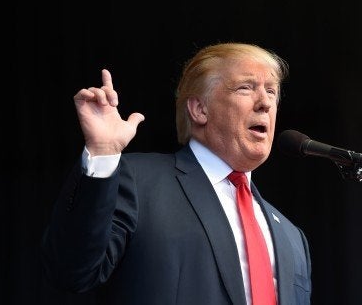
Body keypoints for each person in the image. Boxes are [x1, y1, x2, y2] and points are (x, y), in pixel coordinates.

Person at [41, 43, 312, 305]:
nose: (265, 102)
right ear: (199, 109)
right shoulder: (138, 182)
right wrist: (102, 151)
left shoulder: (292, 236)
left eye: (272, 92)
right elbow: (71, 270)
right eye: (246, 88)